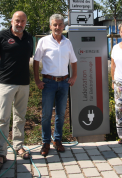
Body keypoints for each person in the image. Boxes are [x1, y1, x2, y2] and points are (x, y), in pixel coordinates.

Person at [0, 11, 34, 171]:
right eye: (17, 20)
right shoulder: (2, 36)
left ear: (25, 22)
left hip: (23, 84)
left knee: (20, 117)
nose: (20, 23)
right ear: (11, 21)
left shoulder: (29, 38)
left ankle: (19, 146)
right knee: (2, 119)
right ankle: (1, 153)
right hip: (6, 84)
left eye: (22, 21)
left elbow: (29, 58)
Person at [33, 14, 77, 157]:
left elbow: (74, 61)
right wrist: (37, 80)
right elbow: (36, 61)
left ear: (64, 26)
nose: (57, 27)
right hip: (48, 83)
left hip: (64, 83)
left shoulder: (67, 42)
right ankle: (46, 142)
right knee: (46, 115)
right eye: (55, 25)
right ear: (50, 26)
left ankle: (57, 140)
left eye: (60, 24)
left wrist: (74, 76)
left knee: (61, 114)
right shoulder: (43, 41)